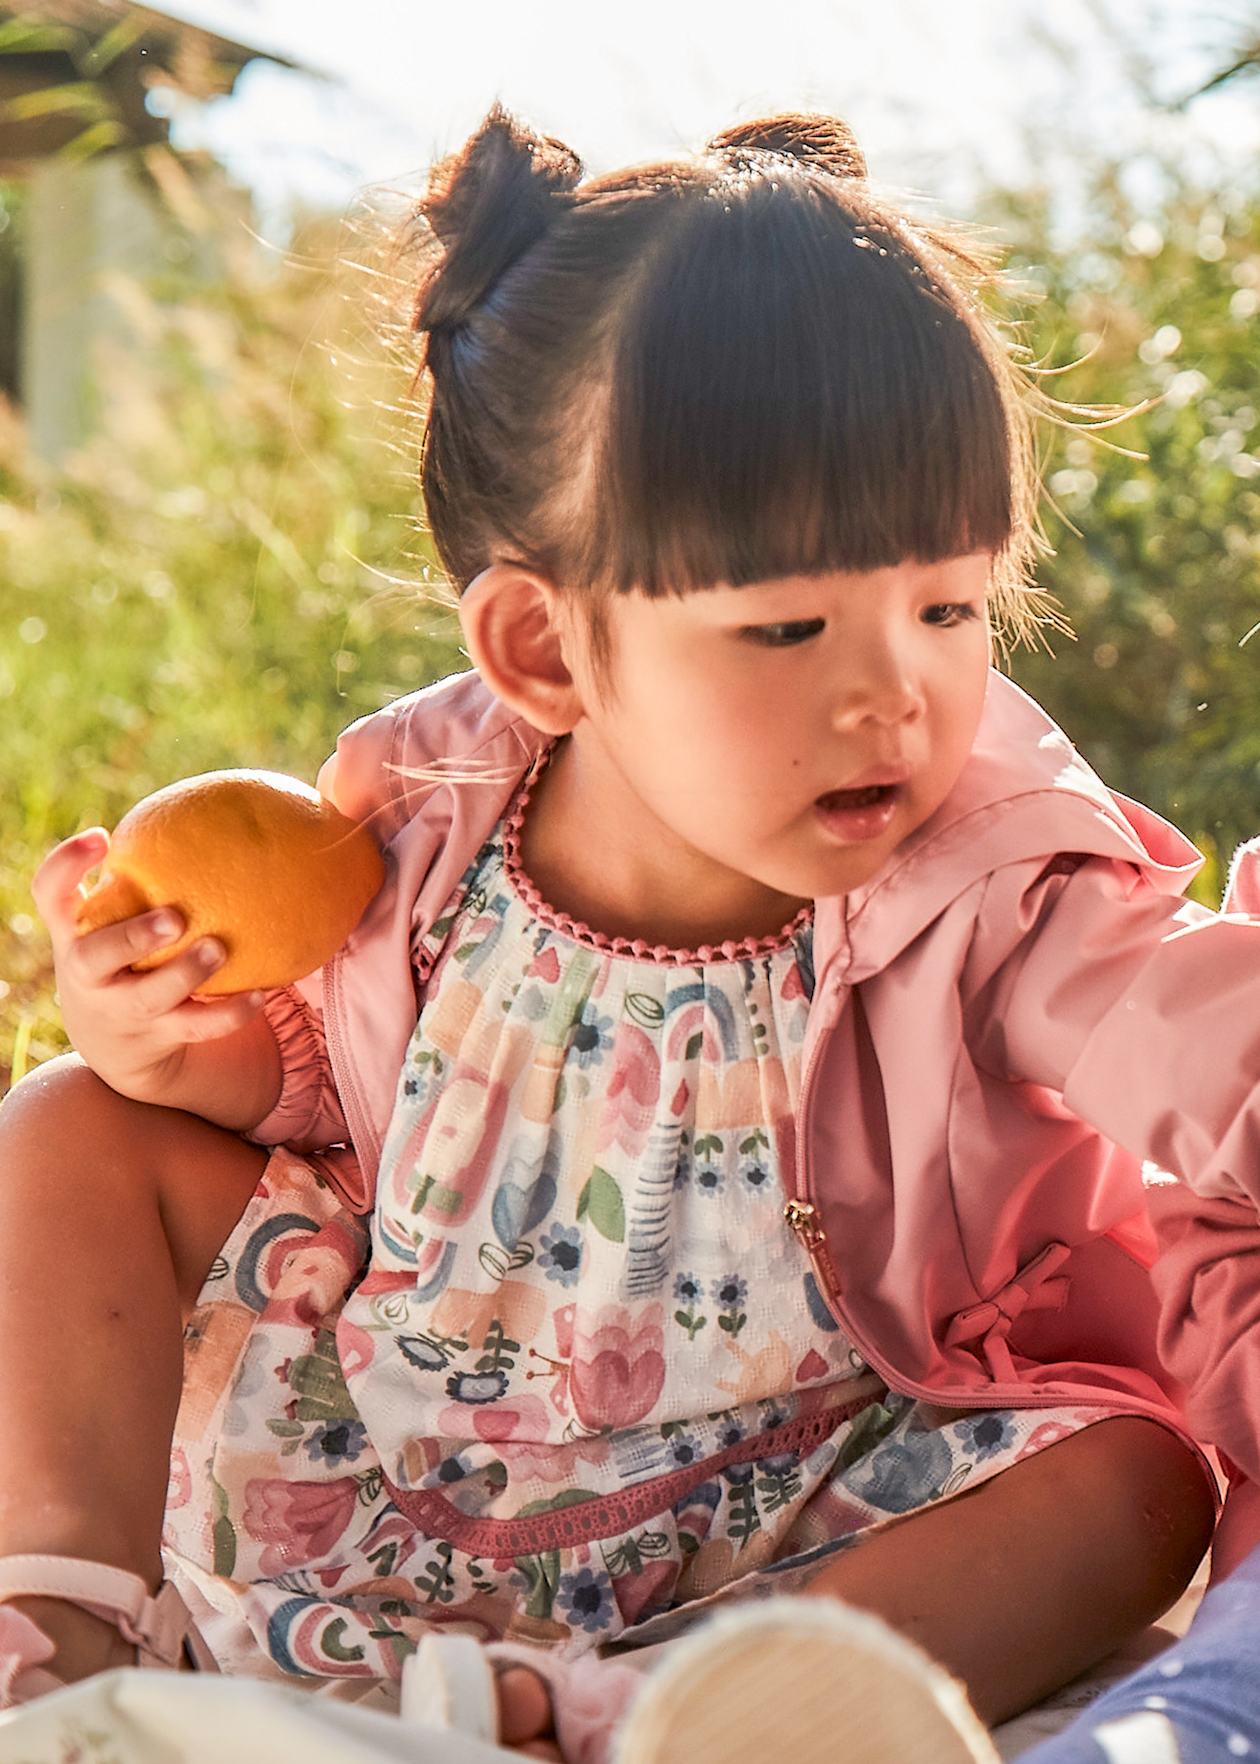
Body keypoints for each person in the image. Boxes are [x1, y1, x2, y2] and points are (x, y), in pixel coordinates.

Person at [5, 100, 1256, 1762]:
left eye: (948, 605)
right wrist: (171, 1042)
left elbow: (1175, 1022)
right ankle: (61, 1647)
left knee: (1141, 1472)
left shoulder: (988, 880)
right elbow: (333, 1093)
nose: (895, 691)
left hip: (811, 1512)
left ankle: (681, 1719)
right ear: (543, 647)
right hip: (393, 1475)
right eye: (790, 623)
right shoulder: (428, 831)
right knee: (69, 1129)